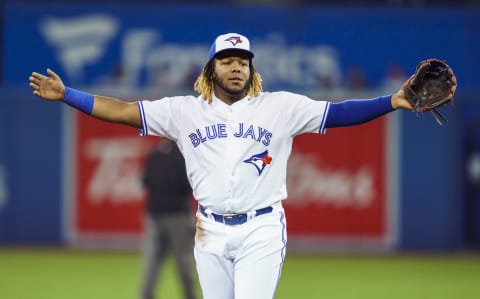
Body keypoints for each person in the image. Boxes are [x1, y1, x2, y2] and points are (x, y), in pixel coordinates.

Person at [29, 32, 456, 299]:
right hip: (208, 231)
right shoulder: (183, 111)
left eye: (243, 60)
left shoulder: (281, 107)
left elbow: (339, 113)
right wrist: (69, 95)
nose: (236, 66)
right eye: (227, 59)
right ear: (210, 68)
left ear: (251, 68)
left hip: (261, 229)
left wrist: (393, 101)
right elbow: (121, 110)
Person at [140, 139, 197, 299]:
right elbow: (189, 186)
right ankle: (190, 296)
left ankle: (146, 296)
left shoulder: (153, 155)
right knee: (184, 263)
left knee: (151, 263)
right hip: (177, 216)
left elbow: (145, 181)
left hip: (154, 215)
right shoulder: (183, 156)